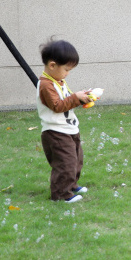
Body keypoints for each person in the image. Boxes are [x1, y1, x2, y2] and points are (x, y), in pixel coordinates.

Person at [36, 38, 93, 203]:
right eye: (67, 69)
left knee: (76, 159)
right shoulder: (45, 85)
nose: (68, 73)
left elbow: (66, 99)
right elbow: (57, 106)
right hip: (56, 132)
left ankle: (71, 184)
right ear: (52, 65)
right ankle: (61, 194)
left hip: (69, 129)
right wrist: (76, 98)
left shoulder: (58, 81)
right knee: (65, 163)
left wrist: (82, 97)